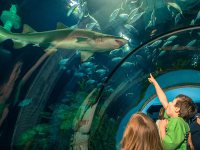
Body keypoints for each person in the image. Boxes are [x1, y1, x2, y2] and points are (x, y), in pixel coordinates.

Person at [148, 73, 196, 150]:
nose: (169, 102)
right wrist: (155, 83)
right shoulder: (175, 119)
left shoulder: (177, 122)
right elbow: (163, 99)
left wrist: (162, 127)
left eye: (172, 102)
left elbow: (167, 146)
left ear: (177, 109)